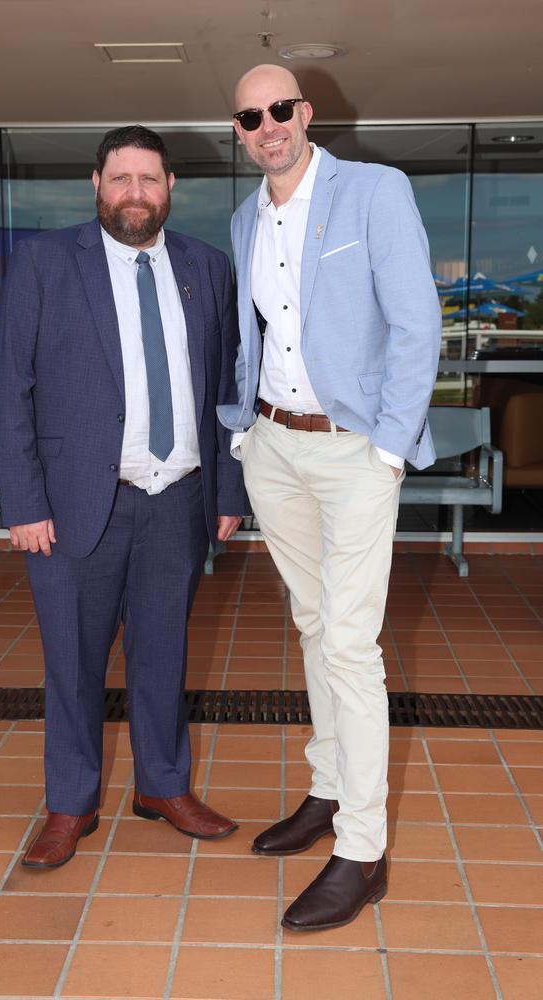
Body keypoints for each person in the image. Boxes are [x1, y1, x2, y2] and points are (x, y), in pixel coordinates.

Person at [0, 125, 249, 869]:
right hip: (72, 506)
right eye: (120, 179)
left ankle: (162, 785)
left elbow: (223, 391)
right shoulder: (44, 262)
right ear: (96, 187)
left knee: (164, 655)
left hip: (178, 499)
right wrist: (23, 503)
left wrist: (227, 489)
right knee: (72, 661)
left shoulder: (207, 268)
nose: (135, 192)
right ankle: (69, 803)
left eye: (149, 179)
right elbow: (9, 388)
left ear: (171, 190)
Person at [219, 65, 441, 930]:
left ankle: (363, 847)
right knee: (314, 625)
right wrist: (244, 431)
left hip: (354, 452)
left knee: (350, 644)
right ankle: (327, 788)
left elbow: (417, 322)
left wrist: (388, 447)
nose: (267, 124)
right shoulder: (246, 217)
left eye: (280, 108)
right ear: (238, 130)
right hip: (274, 445)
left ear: (305, 114)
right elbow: (255, 332)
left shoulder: (374, 190)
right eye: (250, 115)